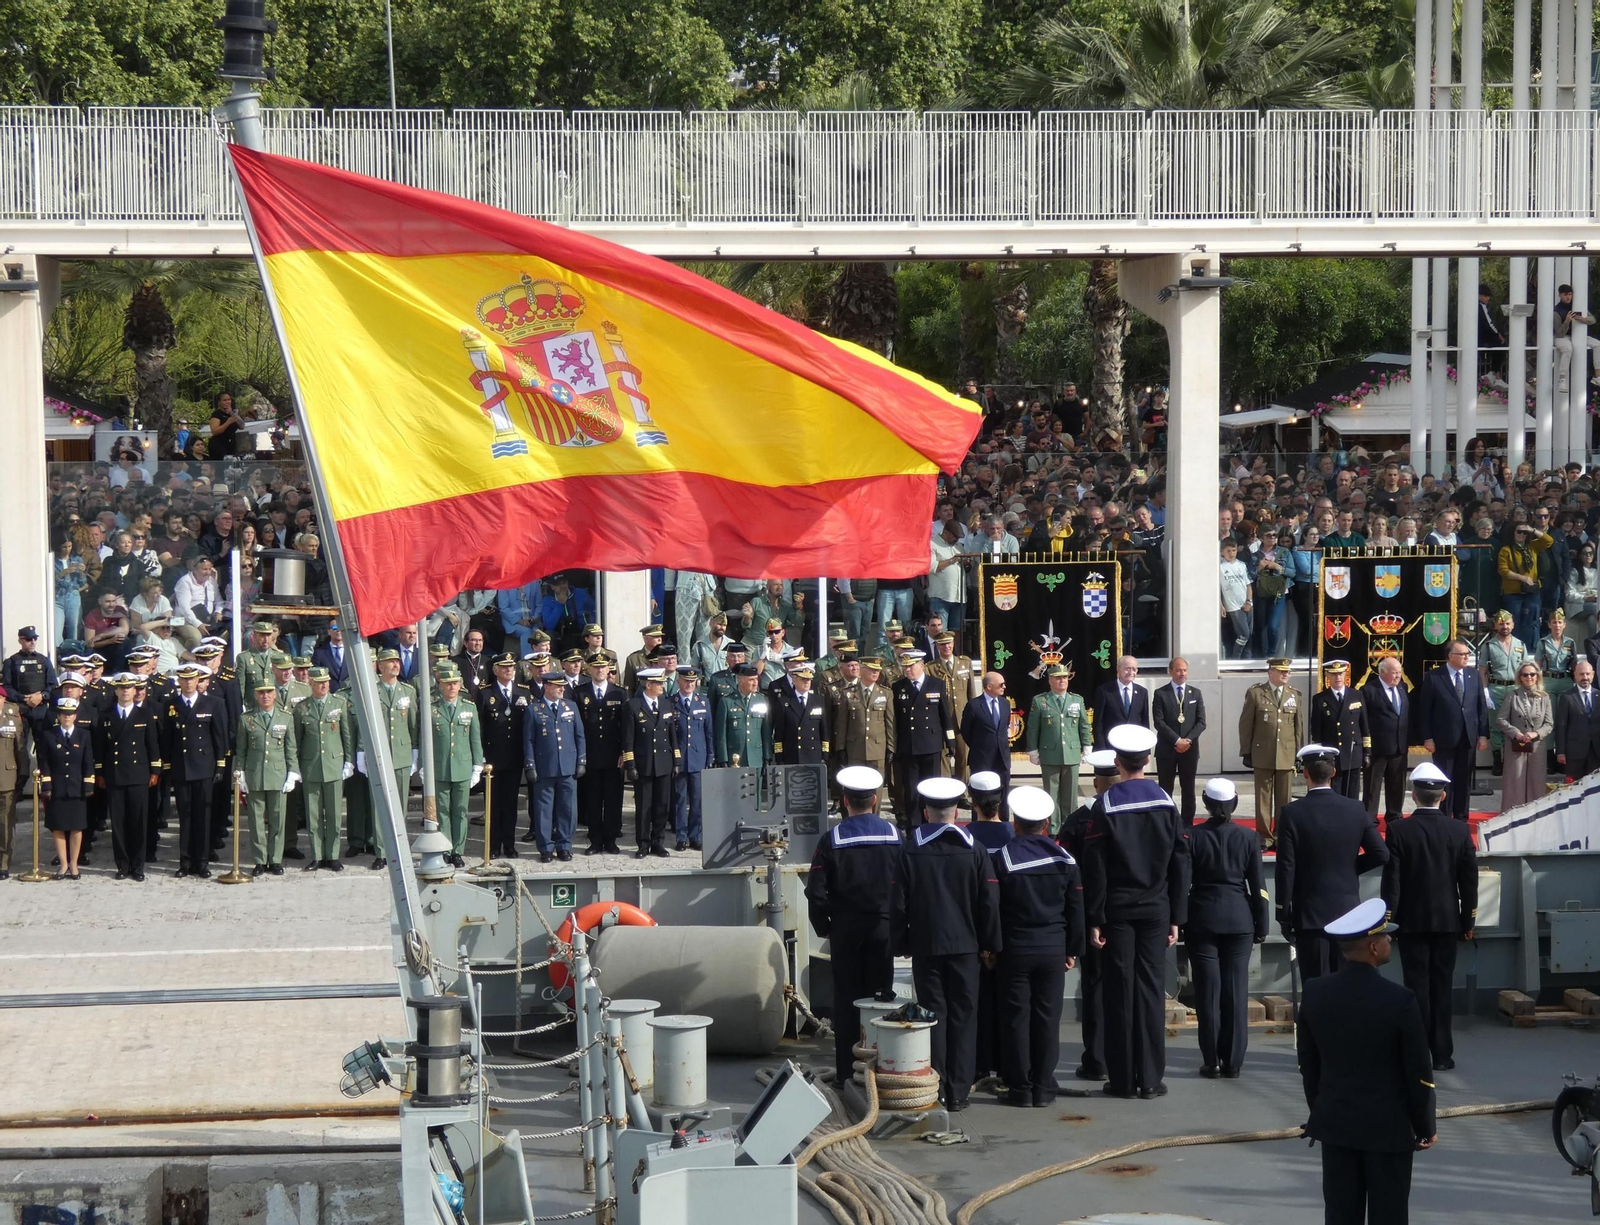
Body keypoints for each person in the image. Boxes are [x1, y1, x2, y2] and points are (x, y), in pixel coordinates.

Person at [1296, 898, 1437, 1225]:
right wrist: (1425, 1126)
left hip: (1335, 1124)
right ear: (1373, 947)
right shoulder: (1401, 1000)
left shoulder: (1315, 992)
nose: (1390, 941)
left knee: (1340, 1214)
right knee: (1389, 1214)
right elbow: (1419, 1073)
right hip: (1388, 1130)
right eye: (1386, 937)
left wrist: (1321, 1110)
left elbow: (1308, 1065)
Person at [1080, 724, 1190, 1100]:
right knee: (1151, 990)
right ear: (1148, 760)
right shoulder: (1165, 801)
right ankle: (1151, 1079)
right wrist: (1176, 915)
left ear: (1117, 762)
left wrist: (1095, 917)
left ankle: (1123, 1079)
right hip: (1156, 908)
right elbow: (1180, 860)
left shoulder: (1106, 805)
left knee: (1119, 990)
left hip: (1118, 909)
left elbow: (1095, 866)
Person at [896, 775, 1001, 1113]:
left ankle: (937, 1086)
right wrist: (990, 945)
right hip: (967, 947)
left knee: (933, 1016)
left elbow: (898, 904)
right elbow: (989, 902)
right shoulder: (975, 850)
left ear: (926, 812)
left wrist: (902, 942)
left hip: (926, 947)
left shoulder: (910, 850)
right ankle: (959, 1091)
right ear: (956, 812)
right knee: (964, 1018)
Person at [805, 765, 902, 1086]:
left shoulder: (831, 840)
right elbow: (906, 887)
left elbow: (816, 892)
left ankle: (847, 1073)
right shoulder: (894, 836)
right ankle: (880, 1071)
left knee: (847, 1002)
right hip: (883, 928)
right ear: (874, 800)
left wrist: (824, 927)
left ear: (845, 801)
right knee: (881, 1000)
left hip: (845, 929)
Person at [1381, 763, 1478, 1072]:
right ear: (1443, 795)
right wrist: (1468, 921)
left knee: (1415, 988)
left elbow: (1392, 884)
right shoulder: (1459, 830)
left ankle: (1418, 1052)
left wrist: (1388, 921)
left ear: (1413, 794)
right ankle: (1442, 1054)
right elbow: (1469, 882)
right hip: (1448, 923)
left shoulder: (1399, 830)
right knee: (1442, 987)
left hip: (1410, 923)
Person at [994, 784, 1084, 1108]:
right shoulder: (1065, 859)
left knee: (1017, 1018)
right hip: (1053, 948)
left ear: (1014, 823)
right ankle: (1044, 1087)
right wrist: (1072, 950)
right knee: (1048, 1018)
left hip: (1016, 948)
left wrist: (992, 946)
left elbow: (993, 907)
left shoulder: (1003, 858)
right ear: (1046, 824)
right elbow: (1076, 908)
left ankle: (1020, 1088)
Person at [1275, 745, 1390, 980]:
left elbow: (1286, 866)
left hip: (1310, 913)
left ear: (1305, 773)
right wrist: (1349, 867)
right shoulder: (1355, 808)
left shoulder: (1292, 813)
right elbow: (1381, 853)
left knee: (1316, 985)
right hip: (1348, 913)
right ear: (1334, 772)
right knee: (1347, 985)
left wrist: (1283, 912)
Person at [1185, 778, 1268, 1079]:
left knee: (1207, 994)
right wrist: (1262, 924)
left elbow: (1182, 883)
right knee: (1236, 991)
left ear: (1205, 803)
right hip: (1239, 919)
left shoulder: (1192, 837)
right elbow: (1258, 886)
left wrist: (1179, 920)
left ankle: (1212, 1061)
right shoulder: (1248, 838)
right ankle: (1233, 1061)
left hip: (1202, 918)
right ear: (1234, 803)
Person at [162, 662, 228, 877]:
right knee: (185, 817)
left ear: (198, 680)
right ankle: (185, 862)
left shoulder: (213, 703)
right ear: (179, 681)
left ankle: (202, 862)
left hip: (204, 767)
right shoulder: (170, 705)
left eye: (192, 679)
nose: (188, 683)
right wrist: (167, 767)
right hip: (182, 767)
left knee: (203, 816)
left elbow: (219, 736)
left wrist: (220, 764)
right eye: (184, 679)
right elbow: (167, 739)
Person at [96, 671, 161, 881]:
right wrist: (99, 772)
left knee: (138, 822)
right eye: (121, 688)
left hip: (138, 774)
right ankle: (122, 865)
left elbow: (152, 744)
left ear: (135, 691)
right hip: (115, 775)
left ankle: (138, 865)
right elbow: (100, 748)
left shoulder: (145, 714)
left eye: (129, 687)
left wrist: (155, 770)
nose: (125, 691)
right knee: (118, 823)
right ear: (115, 691)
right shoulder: (105, 715)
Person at [1416, 639, 1491, 821]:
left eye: (1467, 654)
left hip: (1468, 737)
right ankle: (1443, 817)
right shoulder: (1434, 677)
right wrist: (1428, 737)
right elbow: (1425, 710)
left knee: (1464, 781)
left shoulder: (1474, 675)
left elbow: (1481, 707)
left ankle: (1461, 818)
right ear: (1451, 656)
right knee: (1445, 780)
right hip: (1443, 739)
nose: (1466, 657)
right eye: (1462, 654)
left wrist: (1483, 734)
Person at [359, 647, 419, 871]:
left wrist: (415, 751)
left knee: (400, 805)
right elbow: (364, 723)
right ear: (380, 666)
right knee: (380, 806)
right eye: (390, 662)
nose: (395, 665)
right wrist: (362, 752)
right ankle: (381, 852)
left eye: (397, 662)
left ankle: (400, 850)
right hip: (379, 755)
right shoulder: (371, 691)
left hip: (402, 754)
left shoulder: (408, 691)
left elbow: (413, 724)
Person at [1238, 656, 1304, 848]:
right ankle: (1264, 837)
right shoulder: (1256, 693)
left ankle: (1281, 835)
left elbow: (1298, 727)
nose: (1286, 674)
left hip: (1286, 753)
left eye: (1288, 672)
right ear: (1270, 672)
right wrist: (1246, 751)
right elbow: (1246, 724)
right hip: (1262, 753)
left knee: (1284, 799)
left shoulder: (1294, 695)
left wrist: (1299, 753)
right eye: (1282, 671)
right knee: (1263, 797)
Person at [236, 680, 300, 877]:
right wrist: (240, 773)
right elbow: (241, 749)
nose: (265, 696)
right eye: (261, 693)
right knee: (256, 822)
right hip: (255, 775)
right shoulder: (247, 719)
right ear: (256, 696)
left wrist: (292, 773)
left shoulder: (285, 717)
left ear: (275, 695)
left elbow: (290, 748)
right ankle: (259, 860)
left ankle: (275, 859)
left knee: (277, 820)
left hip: (278, 775)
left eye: (269, 692)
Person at [293, 665, 352, 871]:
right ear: (311, 683)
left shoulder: (339, 703)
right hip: (311, 766)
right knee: (314, 815)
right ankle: (317, 855)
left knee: (334, 815)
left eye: (326, 681)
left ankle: (332, 855)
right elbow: (297, 740)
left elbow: (346, 734)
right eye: (319, 682)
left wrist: (349, 761)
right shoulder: (302, 708)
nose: (324, 685)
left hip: (334, 765)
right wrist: (296, 767)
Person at [524, 670, 585, 863]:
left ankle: (564, 845)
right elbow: (528, 741)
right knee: (544, 810)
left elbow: (579, 736)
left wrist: (581, 761)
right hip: (545, 767)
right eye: (558, 686)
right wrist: (530, 765)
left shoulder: (571, 707)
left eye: (563, 686)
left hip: (567, 767)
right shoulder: (534, 709)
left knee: (568, 809)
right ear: (547, 687)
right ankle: (546, 848)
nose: (562, 689)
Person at [890, 651, 955, 831]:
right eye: (905, 666)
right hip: (909, 745)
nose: (907, 670)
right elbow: (895, 720)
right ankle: (914, 826)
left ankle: (931, 824)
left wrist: (950, 741)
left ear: (921, 665)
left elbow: (945, 715)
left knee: (931, 786)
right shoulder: (898, 687)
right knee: (911, 789)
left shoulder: (936, 684)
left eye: (911, 666)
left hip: (931, 743)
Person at [573, 653, 628, 855]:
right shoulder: (579, 693)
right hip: (590, 755)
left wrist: (624, 752)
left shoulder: (620, 693)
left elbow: (626, 727)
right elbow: (576, 727)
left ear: (608, 669)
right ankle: (595, 841)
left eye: (603, 667)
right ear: (588, 669)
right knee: (593, 800)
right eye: (595, 667)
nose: (599, 670)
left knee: (613, 800)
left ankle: (611, 840)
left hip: (614, 756)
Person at [429, 663, 483, 866]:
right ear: (440, 685)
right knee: (442, 811)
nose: (452, 687)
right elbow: (426, 739)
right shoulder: (432, 708)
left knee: (460, 811)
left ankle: (458, 851)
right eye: (448, 683)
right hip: (441, 767)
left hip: (462, 767)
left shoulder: (469, 707)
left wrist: (477, 765)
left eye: (455, 683)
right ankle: (445, 848)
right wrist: (424, 765)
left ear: (460, 685)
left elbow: (475, 739)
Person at [36, 695, 95, 880]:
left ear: (75, 716)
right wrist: (47, 784)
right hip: (58, 788)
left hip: (77, 788)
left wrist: (88, 783)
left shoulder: (84, 735)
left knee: (77, 827)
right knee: (58, 827)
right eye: (63, 714)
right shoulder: (49, 735)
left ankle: (74, 864)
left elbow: (88, 761)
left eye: (70, 714)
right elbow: (44, 762)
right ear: (59, 716)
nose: (67, 717)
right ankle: (63, 864)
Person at [1026, 663, 1092, 829]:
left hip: (1072, 753)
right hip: (1049, 754)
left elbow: (1084, 725)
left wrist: (1087, 746)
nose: (1062, 680)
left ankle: (1069, 826)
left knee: (1070, 795)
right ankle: (1053, 827)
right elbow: (1033, 728)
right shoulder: (1040, 701)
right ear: (1050, 680)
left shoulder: (1077, 700)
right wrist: (1033, 751)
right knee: (1051, 794)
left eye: (1064, 677)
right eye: (1057, 678)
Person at [623, 668, 679, 858]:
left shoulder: (666, 704)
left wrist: (677, 761)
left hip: (664, 763)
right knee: (644, 807)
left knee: (662, 805)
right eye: (659, 683)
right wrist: (630, 764)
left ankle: (658, 842)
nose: (662, 686)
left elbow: (672, 736)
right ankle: (643, 844)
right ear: (648, 685)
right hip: (644, 764)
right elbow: (628, 738)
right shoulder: (633, 706)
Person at [832, 655, 894, 807]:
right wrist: (840, 747)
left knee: (876, 788)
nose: (876, 673)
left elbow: (890, 723)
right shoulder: (848, 693)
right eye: (872, 669)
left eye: (877, 670)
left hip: (877, 748)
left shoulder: (885, 693)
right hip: (855, 748)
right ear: (862, 670)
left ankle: (874, 817)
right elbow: (842, 723)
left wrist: (891, 748)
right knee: (855, 787)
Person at [1152, 656, 1206, 821]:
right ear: (1170, 672)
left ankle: (1187, 824)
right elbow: (1158, 722)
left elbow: (1201, 722)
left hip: (1189, 750)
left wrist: (1187, 740)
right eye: (1178, 670)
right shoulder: (1161, 693)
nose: (1182, 673)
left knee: (1188, 789)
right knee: (1165, 789)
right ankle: (1167, 822)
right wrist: (1177, 740)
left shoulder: (1195, 693)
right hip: (1167, 749)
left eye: (1185, 670)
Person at [1497, 658, 1553, 810]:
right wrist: (1516, 733)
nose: (1529, 677)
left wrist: (1535, 734)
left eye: (1532, 674)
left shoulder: (1545, 697)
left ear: (1537, 676)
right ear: (1520, 677)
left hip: (1536, 747)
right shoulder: (1512, 695)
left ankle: (1535, 815)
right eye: (1525, 675)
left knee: (1536, 782)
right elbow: (1501, 720)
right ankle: (1512, 815)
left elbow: (1549, 724)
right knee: (1515, 782)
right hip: (1516, 746)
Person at [1309, 660, 1370, 799]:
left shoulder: (1356, 695)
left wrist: (1367, 752)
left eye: (1340, 674)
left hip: (1353, 753)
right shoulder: (1320, 699)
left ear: (1345, 675)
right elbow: (1316, 731)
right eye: (1334, 674)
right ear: (1327, 676)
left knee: (1352, 794)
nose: (1338, 677)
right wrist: (1320, 755)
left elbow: (1364, 726)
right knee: (1334, 794)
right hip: (1332, 755)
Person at [1362, 657, 1411, 825]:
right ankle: (1369, 821)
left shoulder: (1403, 688)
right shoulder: (1369, 690)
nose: (1398, 676)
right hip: (1378, 749)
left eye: (1399, 672)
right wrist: (1366, 748)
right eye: (1394, 673)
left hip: (1399, 747)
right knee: (1372, 788)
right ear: (1382, 672)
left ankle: (1395, 817)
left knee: (1397, 786)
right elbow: (1364, 721)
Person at [670, 666, 712, 851]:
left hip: (698, 757)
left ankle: (696, 835)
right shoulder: (671, 703)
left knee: (697, 800)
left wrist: (710, 756)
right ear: (679, 681)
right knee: (679, 799)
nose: (689, 684)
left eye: (692, 682)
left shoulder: (703, 702)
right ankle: (681, 837)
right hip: (679, 759)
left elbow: (708, 732)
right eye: (686, 681)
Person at [1482, 609, 1528, 772]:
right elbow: (1482, 671)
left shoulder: (1520, 645)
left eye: (1507, 623)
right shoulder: (1489, 646)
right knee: (1496, 725)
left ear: (1513, 625)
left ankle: (1513, 760)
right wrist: (1485, 692)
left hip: (1516, 689)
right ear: (1496, 625)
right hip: (1496, 689)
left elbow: (1526, 670)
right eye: (1501, 624)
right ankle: (1497, 760)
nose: (1504, 627)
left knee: (1516, 724)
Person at [1498, 520, 1552, 649]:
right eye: (1519, 532)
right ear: (1513, 533)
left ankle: (1533, 649)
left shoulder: (1532, 547)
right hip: (1513, 592)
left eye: (1524, 532)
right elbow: (1503, 570)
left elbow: (1548, 541)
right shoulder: (1506, 550)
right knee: (1515, 622)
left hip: (1532, 591)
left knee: (1532, 621)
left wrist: (1532, 530)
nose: (1522, 534)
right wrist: (1522, 578)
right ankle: (1516, 649)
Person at [960, 672, 1012, 803]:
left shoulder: (1005, 703)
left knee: (1003, 796)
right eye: (1001, 684)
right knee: (980, 796)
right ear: (989, 686)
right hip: (981, 759)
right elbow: (966, 731)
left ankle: (1002, 817)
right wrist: (980, 746)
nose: (1004, 687)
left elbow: (1005, 726)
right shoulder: (974, 705)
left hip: (1002, 759)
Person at [771, 661, 830, 765]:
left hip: (813, 756)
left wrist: (825, 754)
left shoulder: (818, 701)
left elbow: (824, 729)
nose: (806, 682)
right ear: (794, 681)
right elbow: (779, 732)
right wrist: (779, 757)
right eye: (803, 679)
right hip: (792, 755)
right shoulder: (784, 702)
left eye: (809, 679)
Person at [1554, 659, 1600, 781]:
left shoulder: (1599, 695)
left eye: (1587, 674)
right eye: (1581, 674)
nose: (1585, 677)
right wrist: (1560, 751)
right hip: (1574, 752)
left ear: (1593, 674)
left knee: (1593, 788)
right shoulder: (1567, 697)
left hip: (1596, 752)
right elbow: (1561, 725)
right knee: (1574, 787)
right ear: (1575, 675)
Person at [1092, 655, 1148, 749]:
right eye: (1127, 669)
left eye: (1134, 669)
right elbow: (1098, 724)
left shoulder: (1142, 692)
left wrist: (1146, 750)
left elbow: (1145, 722)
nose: (1131, 672)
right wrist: (1102, 750)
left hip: (1134, 747)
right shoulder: (1105, 691)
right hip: (1111, 747)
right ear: (1118, 669)